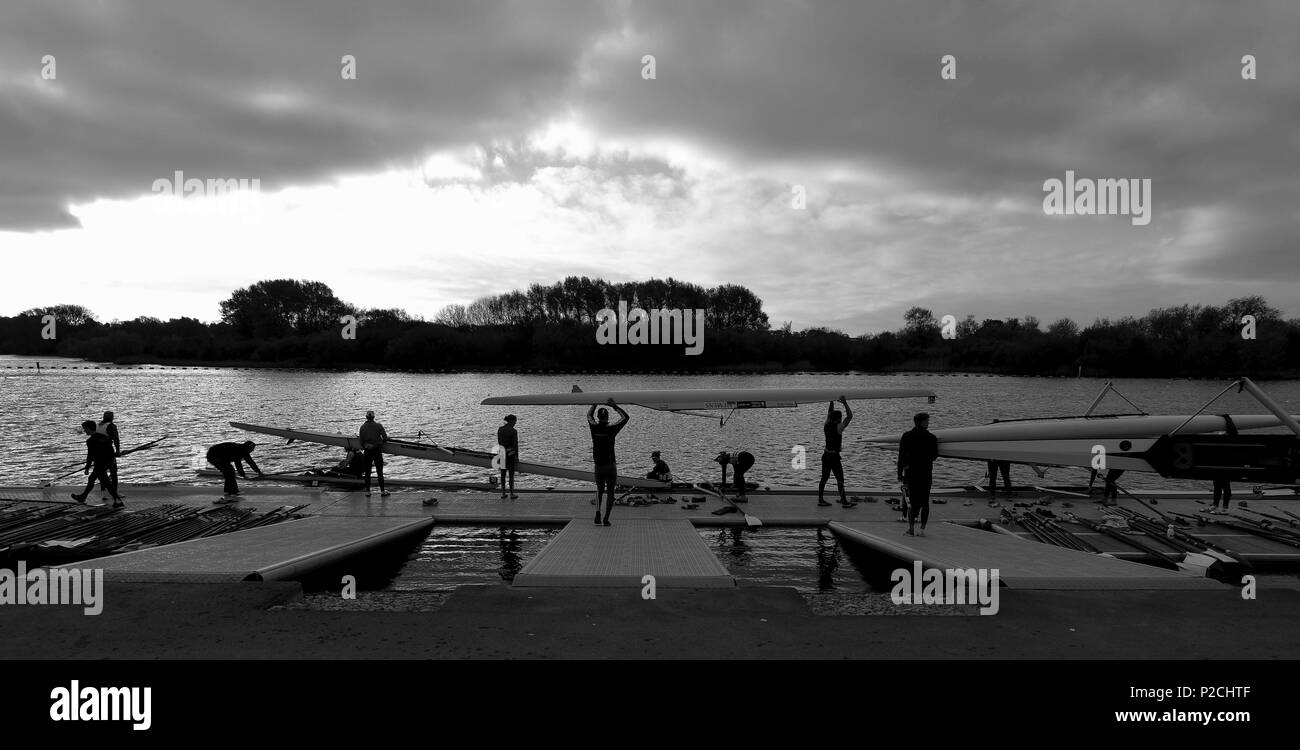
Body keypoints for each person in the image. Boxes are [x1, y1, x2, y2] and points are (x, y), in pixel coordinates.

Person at [897, 412, 939, 537]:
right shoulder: (931, 437)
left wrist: (899, 473)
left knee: (911, 502)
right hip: (925, 472)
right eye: (927, 421)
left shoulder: (907, 436)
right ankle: (922, 529)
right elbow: (934, 456)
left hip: (911, 473)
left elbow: (901, 456)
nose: (928, 423)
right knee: (925, 501)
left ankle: (911, 529)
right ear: (921, 422)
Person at [588, 400, 628, 526]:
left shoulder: (593, 427)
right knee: (610, 492)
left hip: (598, 466)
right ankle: (606, 518)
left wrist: (593, 405)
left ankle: (597, 514)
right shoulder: (612, 429)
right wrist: (615, 406)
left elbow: (589, 416)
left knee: (599, 490)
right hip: (610, 466)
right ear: (607, 417)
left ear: (599, 417)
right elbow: (625, 417)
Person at [71, 420, 123, 507]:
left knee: (106, 482)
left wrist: (87, 467)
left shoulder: (90, 441)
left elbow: (90, 456)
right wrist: (112, 461)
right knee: (92, 479)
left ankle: (118, 500)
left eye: (85, 429)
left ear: (89, 429)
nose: (84, 431)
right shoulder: (105, 437)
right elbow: (110, 449)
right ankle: (83, 497)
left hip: (100, 464)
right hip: (109, 461)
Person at [818, 397, 852, 507]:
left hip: (826, 455)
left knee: (824, 478)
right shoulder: (839, 427)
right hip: (834, 457)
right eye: (840, 418)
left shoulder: (826, 425)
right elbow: (850, 416)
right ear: (838, 419)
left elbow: (829, 413)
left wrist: (831, 400)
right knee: (840, 479)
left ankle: (820, 499)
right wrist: (845, 403)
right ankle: (844, 501)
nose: (841, 420)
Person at [359, 410, 390, 498]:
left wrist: (367, 445)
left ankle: (368, 491)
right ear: (373, 417)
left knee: (367, 472)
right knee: (379, 472)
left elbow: (361, 441)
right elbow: (385, 438)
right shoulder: (379, 426)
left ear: (366, 417)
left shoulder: (362, 427)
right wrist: (379, 442)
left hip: (367, 451)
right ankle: (383, 491)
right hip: (377, 451)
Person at [96, 411, 122, 500]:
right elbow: (116, 439)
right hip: (108, 452)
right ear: (111, 417)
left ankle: (103, 493)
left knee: (103, 473)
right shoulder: (111, 426)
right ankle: (115, 492)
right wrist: (118, 450)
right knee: (113, 471)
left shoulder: (98, 425)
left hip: (98, 452)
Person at [497, 415, 520, 499]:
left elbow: (499, 442)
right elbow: (515, 445)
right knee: (511, 474)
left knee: (502, 474)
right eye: (514, 421)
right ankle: (511, 493)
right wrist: (517, 456)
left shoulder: (500, 429)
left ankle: (503, 493)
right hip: (511, 454)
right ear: (511, 421)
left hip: (502, 453)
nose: (515, 423)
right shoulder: (513, 431)